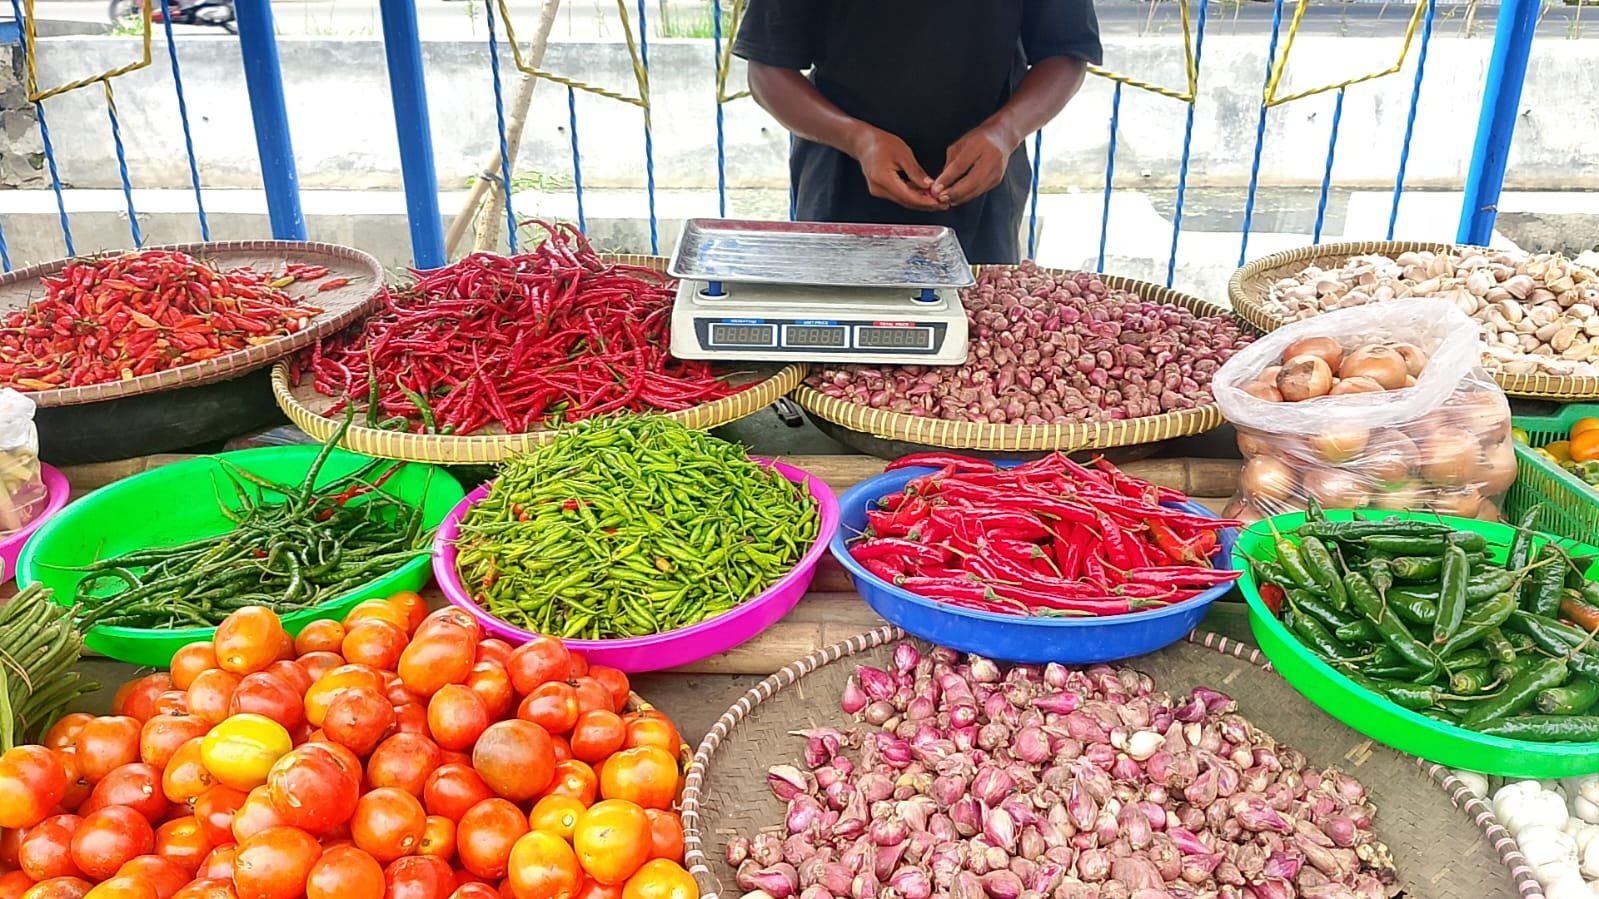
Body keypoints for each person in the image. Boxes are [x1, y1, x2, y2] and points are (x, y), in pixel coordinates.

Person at [733, 1, 1103, 265]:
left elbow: (1066, 53)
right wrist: (857, 139)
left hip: (981, 193)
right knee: (835, 353)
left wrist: (1005, 132)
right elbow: (767, 69)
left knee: (979, 353)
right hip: (840, 190)